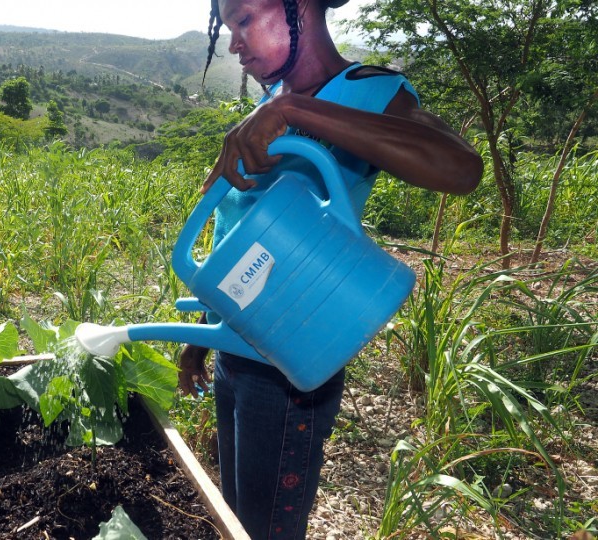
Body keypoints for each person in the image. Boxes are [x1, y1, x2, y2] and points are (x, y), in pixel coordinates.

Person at [176, 0, 483, 538]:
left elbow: (460, 167)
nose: (234, 44)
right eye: (228, 28)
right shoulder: (271, 102)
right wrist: (201, 339)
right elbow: (237, 243)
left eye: (245, 20)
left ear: (301, 9)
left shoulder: (367, 91)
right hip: (236, 350)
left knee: (265, 527)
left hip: (291, 359)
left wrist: (296, 113)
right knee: (233, 515)